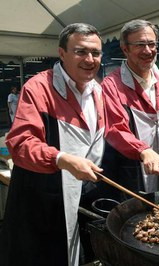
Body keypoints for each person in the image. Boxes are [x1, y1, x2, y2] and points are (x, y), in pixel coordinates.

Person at [0, 23, 105, 266]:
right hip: (42, 197)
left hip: (81, 196)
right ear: (62, 53)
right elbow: (20, 143)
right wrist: (61, 159)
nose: (90, 59)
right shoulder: (38, 88)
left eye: (96, 53)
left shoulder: (98, 90)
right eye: (80, 51)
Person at [101, 19, 159, 199]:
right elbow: (115, 129)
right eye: (140, 45)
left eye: (152, 44)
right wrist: (144, 150)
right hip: (132, 174)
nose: (148, 50)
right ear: (125, 48)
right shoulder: (111, 85)